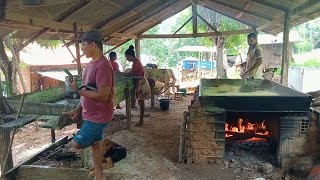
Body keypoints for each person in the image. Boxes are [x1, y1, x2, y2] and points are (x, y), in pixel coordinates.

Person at [66, 29, 114, 180]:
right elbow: (88, 90)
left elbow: (102, 95)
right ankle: (99, 175)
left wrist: (78, 90)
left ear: (93, 44)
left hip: (99, 116)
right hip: (90, 114)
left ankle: (112, 153)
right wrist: (79, 108)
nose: (82, 50)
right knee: (95, 145)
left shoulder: (103, 66)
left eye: (84, 46)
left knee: (77, 143)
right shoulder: (90, 65)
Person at [123, 45, 150, 127]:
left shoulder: (136, 63)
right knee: (141, 102)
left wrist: (120, 73)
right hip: (140, 82)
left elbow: (129, 74)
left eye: (126, 57)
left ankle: (141, 121)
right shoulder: (136, 62)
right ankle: (141, 120)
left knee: (141, 103)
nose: (126, 59)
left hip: (140, 83)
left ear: (129, 56)